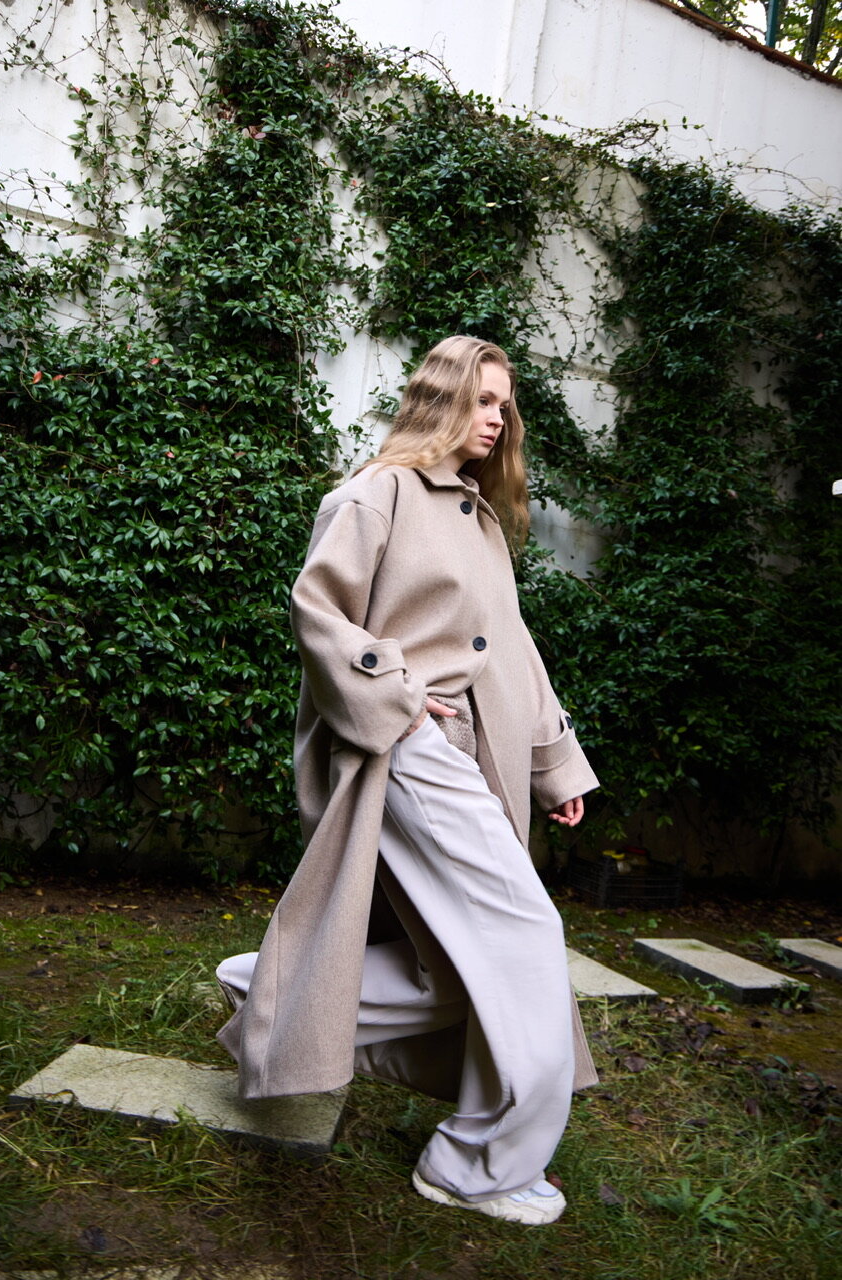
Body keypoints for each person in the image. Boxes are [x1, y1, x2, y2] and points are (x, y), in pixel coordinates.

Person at [216, 335, 599, 1225]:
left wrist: (553, 763)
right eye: (482, 399)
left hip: (473, 752)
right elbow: (317, 610)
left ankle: (271, 992)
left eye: (504, 403)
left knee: (456, 965)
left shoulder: (483, 521)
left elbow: (514, 650)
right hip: (411, 748)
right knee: (527, 933)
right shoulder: (376, 492)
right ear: (440, 399)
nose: (497, 417)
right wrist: (395, 697)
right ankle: (477, 1164)